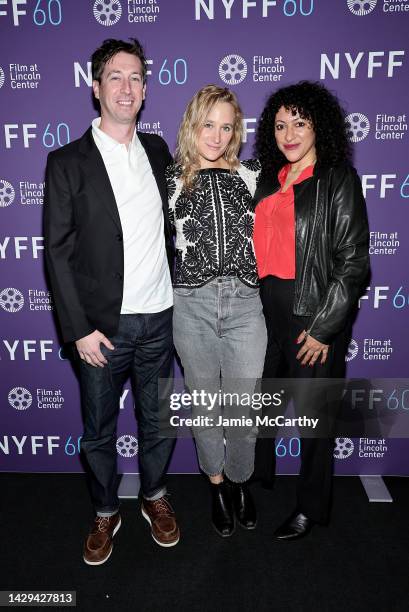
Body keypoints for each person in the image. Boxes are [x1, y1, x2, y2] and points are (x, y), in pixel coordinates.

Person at [44, 38, 179, 565]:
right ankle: (105, 508)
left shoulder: (159, 151)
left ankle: (155, 497)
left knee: (157, 421)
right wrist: (77, 330)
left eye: (136, 78)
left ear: (145, 91)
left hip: (161, 319)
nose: (127, 87)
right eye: (116, 77)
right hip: (102, 328)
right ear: (96, 87)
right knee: (98, 429)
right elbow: (57, 253)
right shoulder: (66, 162)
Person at [253, 81, 369, 540]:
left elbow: (354, 259)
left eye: (300, 123)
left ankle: (311, 508)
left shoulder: (337, 177)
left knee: (314, 422)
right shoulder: (268, 177)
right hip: (265, 314)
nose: (290, 133)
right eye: (281, 125)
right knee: (261, 407)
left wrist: (323, 329)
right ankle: (255, 483)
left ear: (319, 125)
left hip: (312, 317)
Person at [166, 85, 267, 537]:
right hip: (192, 305)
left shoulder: (253, 175)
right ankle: (216, 483)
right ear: (193, 124)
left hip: (247, 304)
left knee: (243, 410)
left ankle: (241, 482)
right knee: (206, 409)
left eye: (227, 126)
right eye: (209, 124)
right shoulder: (169, 178)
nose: (218, 135)